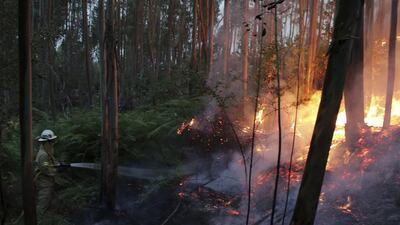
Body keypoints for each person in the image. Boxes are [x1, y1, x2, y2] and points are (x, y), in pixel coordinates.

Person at [34, 129, 60, 215]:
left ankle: (46, 213)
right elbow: (45, 168)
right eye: (52, 141)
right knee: (44, 198)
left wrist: (57, 164)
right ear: (47, 142)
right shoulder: (43, 154)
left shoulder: (47, 149)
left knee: (49, 197)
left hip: (47, 179)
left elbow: (49, 162)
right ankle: (39, 217)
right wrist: (55, 171)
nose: (53, 143)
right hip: (43, 180)